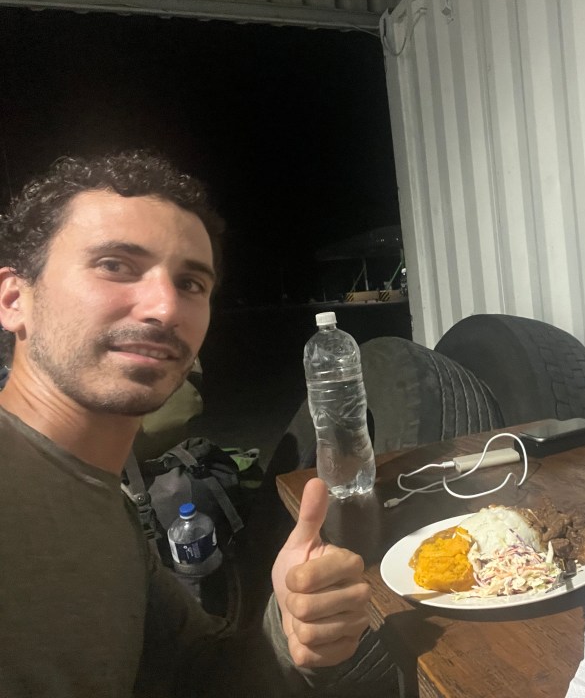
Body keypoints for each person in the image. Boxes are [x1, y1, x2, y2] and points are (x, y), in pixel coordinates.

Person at [0, 152, 394, 696]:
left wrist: (290, 626)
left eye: (190, 283)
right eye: (115, 264)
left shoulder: (105, 504)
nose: (165, 307)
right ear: (14, 298)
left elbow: (199, 671)